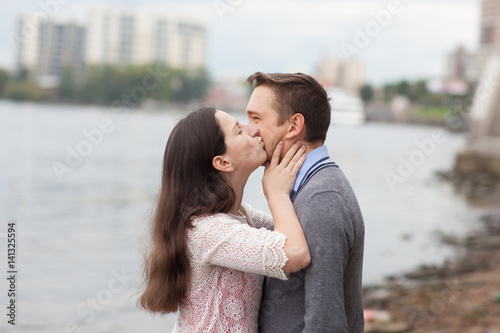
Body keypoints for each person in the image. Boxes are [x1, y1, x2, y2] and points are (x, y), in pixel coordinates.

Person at [138, 106, 311, 332]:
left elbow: (295, 231)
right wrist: (277, 194)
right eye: (239, 131)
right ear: (223, 162)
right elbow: (296, 254)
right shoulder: (205, 230)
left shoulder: (241, 216)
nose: (253, 130)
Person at [246, 72, 365, 332]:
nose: (249, 130)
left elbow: (326, 323)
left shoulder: (322, 199)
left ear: (293, 126)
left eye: (256, 118)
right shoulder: (308, 187)